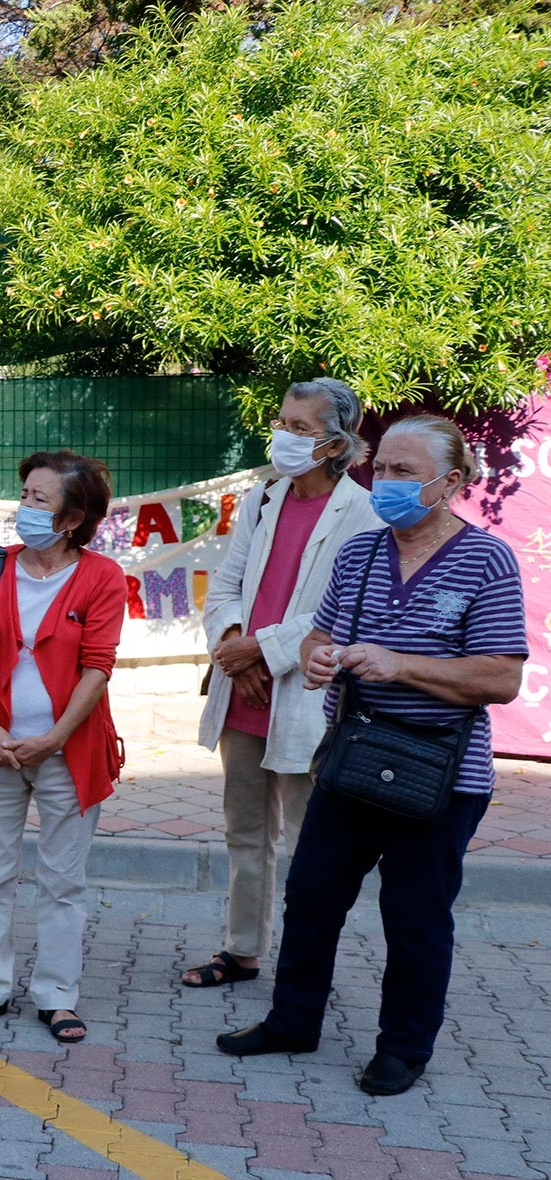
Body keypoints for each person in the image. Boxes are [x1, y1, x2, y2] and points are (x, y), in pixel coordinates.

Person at [218, 415, 526, 1096]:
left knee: (414, 916)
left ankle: (404, 1048)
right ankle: (293, 1022)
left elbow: (502, 678)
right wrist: (320, 658)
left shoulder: (487, 559)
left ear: (450, 482)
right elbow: (318, 637)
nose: (384, 482)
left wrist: (402, 666)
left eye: (404, 472)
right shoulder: (359, 552)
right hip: (352, 753)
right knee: (312, 896)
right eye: (381, 468)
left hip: (439, 769)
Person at [186, 380, 379, 991]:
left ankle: (303, 967)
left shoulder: (362, 513)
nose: (284, 436)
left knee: (307, 842)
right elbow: (225, 586)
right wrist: (237, 656)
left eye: (300, 427)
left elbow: (336, 610)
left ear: (334, 443)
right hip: (244, 693)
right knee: (245, 833)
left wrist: (260, 654)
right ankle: (241, 952)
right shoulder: (262, 499)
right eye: (282, 422)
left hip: (300, 696)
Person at [0, 451, 126, 1045]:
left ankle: (57, 994)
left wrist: (52, 738)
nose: (24, 507)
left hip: (68, 750)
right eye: (25, 494)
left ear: (73, 517)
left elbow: (98, 667)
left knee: (62, 879)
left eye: (38, 499)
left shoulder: (101, 576)